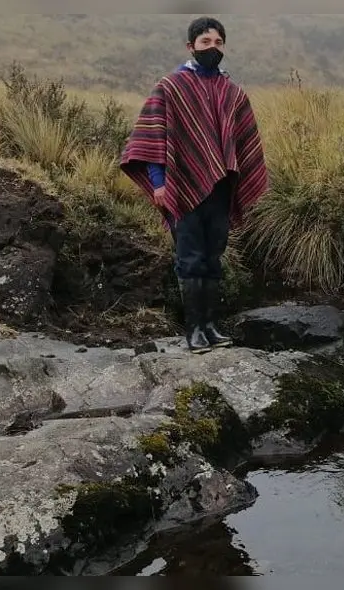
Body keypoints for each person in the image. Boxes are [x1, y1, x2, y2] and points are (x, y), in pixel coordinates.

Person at [120, 16, 269, 354]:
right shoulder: (171, 87)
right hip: (181, 187)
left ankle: (211, 327)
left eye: (218, 43)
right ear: (191, 46)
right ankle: (194, 332)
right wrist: (158, 184)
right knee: (190, 257)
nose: (212, 48)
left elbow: (243, 142)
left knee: (213, 257)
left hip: (221, 189)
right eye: (205, 43)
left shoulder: (233, 93)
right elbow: (154, 139)